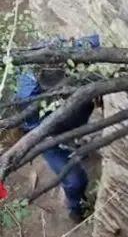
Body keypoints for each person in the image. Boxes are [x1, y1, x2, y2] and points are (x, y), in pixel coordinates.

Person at [15, 71, 94, 222]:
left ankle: (76, 140)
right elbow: (38, 132)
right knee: (75, 180)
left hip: (73, 114)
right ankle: (75, 208)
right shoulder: (27, 96)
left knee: (83, 109)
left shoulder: (70, 52)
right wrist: (58, 140)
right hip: (47, 131)